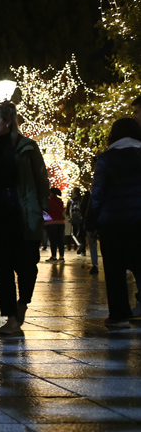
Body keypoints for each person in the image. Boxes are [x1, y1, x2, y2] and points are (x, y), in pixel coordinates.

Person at [0, 103, 49, 336]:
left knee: (27, 266)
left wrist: (42, 211)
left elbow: (41, 181)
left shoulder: (27, 147)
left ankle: (22, 303)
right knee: (2, 268)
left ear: (7, 122)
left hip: (23, 213)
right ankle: (11, 317)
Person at [86, 118, 141, 328]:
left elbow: (97, 195)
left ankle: (119, 316)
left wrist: (90, 224)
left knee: (114, 269)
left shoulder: (107, 159)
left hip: (113, 223)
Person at [79, 186, 99, 274]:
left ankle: (95, 264)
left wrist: (88, 228)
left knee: (93, 244)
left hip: (95, 223)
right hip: (105, 222)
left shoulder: (90, 197)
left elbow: (87, 212)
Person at [44, 188, 66, 262]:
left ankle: (54, 256)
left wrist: (45, 220)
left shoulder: (48, 201)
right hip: (61, 222)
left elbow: (46, 211)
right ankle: (62, 256)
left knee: (53, 240)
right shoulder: (60, 201)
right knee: (60, 240)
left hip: (51, 223)